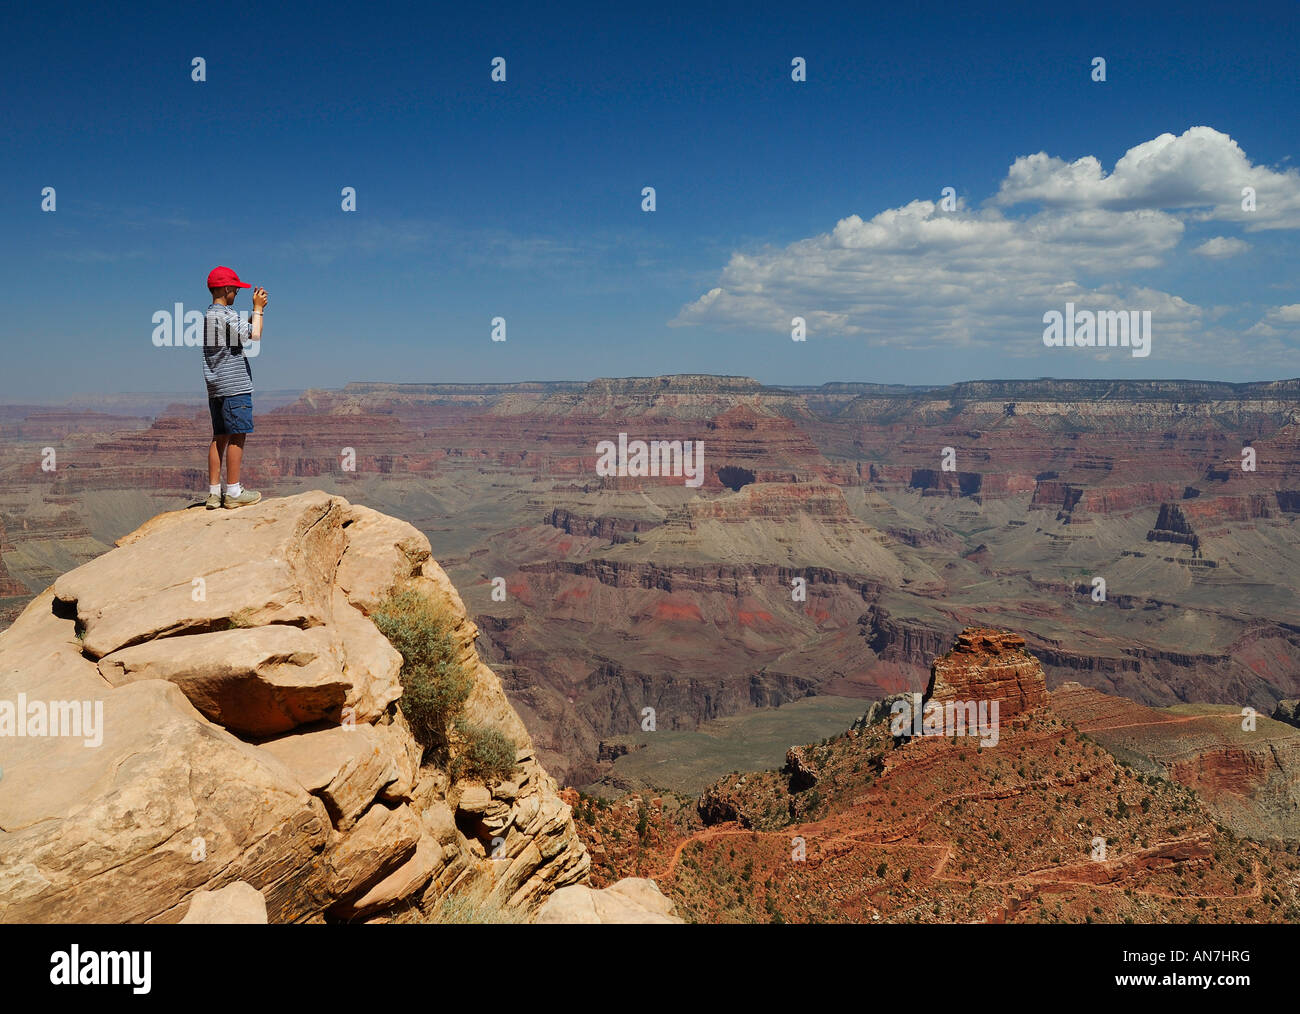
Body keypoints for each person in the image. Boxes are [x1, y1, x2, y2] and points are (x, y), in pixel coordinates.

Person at [202, 266, 267, 508]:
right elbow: (256, 335)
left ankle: (213, 493)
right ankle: (233, 492)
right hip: (235, 386)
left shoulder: (210, 315)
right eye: (236, 291)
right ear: (227, 288)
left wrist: (252, 315)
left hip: (216, 388)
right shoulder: (226, 315)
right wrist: (259, 309)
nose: (237, 294)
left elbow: (241, 334)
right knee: (237, 435)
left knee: (219, 437)